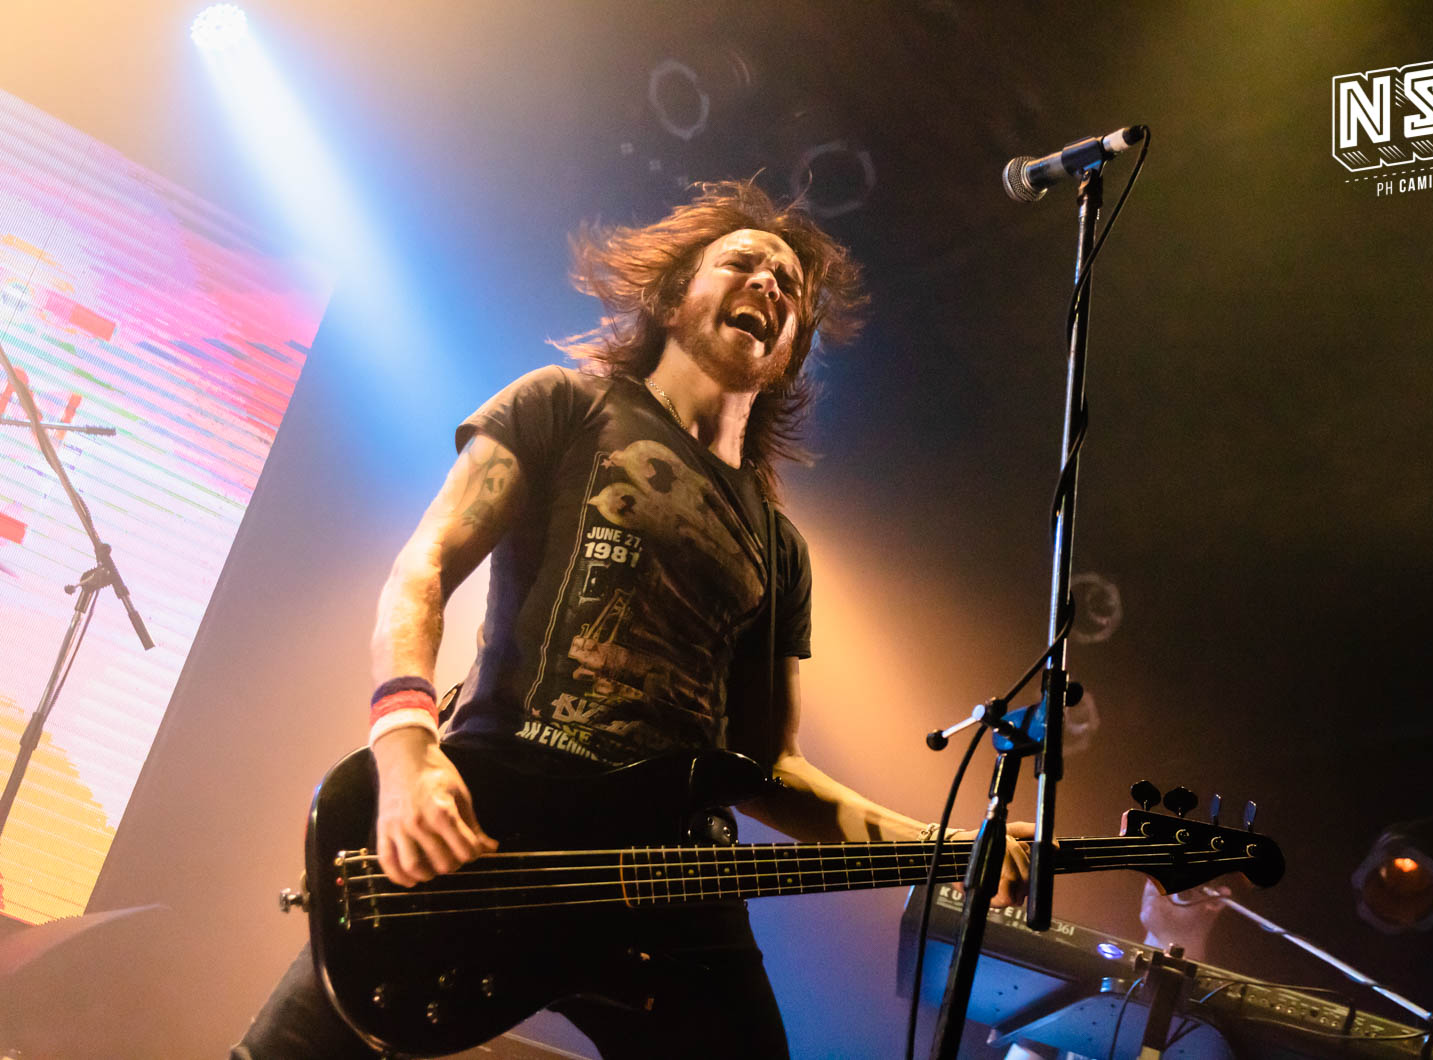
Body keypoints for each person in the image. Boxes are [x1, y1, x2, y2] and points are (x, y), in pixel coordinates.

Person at [233, 179, 1035, 1059]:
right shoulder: (563, 404)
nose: (770, 284)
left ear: (790, 352)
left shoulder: (781, 550)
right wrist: (406, 749)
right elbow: (422, 569)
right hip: (502, 804)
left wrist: (948, 843)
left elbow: (771, 768)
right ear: (675, 294)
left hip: (673, 867)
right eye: (744, 262)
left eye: (789, 288)